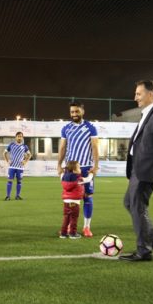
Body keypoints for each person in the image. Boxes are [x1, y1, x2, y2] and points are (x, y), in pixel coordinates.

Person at [120, 80, 153, 262]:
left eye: (138, 94)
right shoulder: (147, 114)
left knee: (137, 206)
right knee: (129, 203)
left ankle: (144, 250)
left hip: (146, 169)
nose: (135, 97)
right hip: (138, 168)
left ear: (150, 94)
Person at [57, 100, 99, 237]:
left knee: (87, 197)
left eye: (77, 111)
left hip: (85, 167)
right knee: (70, 199)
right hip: (69, 169)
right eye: (72, 112)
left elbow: (95, 147)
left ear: (82, 111)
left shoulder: (90, 127)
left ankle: (86, 227)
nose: (74, 114)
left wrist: (96, 166)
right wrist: (59, 165)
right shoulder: (66, 128)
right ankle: (69, 226)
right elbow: (63, 147)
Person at [59, 160, 94, 239]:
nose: (80, 169)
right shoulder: (78, 179)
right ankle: (73, 233)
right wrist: (91, 173)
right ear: (74, 170)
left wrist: (64, 170)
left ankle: (63, 233)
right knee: (74, 218)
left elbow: (61, 174)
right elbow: (88, 179)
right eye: (78, 168)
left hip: (66, 202)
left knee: (66, 218)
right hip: (74, 203)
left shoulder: (63, 177)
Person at [4, 131, 31, 200]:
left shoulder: (24, 146)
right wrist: (7, 161)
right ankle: (8, 196)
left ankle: (17, 196)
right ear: (16, 137)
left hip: (20, 167)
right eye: (18, 136)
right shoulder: (11, 145)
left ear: (22, 138)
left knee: (19, 181)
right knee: (10, 181)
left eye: (21, 136)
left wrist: (25, 161)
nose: (19, 138)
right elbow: (4, 153)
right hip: (12, 167)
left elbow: (29, 155)